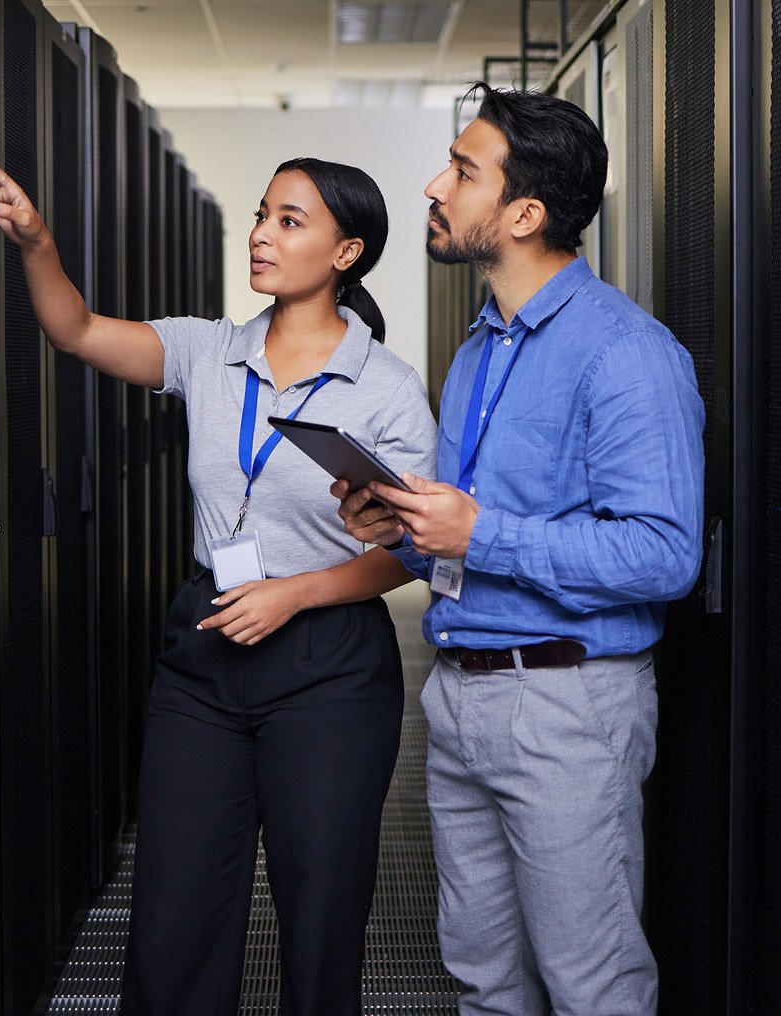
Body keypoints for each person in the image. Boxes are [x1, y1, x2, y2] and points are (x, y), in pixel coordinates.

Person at [0, 147, 438, 1015]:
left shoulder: (388, 390)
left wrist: (295, 593)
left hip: (329, 667)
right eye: (263, 214)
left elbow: (411, 551)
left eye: (289, 222)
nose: (261, 235)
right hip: (206, 653)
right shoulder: (208, 352)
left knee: (321, 921)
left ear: (346, 253)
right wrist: (33, 240)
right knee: (173, 923)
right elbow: (75, 329)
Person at [333, 83, 705, 1016]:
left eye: (462, 172)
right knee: (486, 983)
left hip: (567, 711)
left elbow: (664, 555)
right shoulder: (479, 350)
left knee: (592, 987)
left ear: (525, 214)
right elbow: (469, 542)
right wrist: (410, 533)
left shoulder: (626, 352)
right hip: (460, 696)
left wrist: (478, 530)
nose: (436, 185)